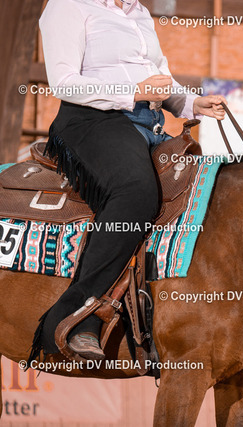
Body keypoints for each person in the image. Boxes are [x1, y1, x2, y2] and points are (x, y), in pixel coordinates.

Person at [30, 0, 226, 361]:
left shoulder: (139, 12)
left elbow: (160, 80)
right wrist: (134, 92)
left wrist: (192, 104)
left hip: (148, 125)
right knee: (135, 192)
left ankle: (167, 318)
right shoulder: (67, 6)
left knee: (204, 189)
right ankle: (78, 313)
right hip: (91, 121)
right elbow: (64, 83)